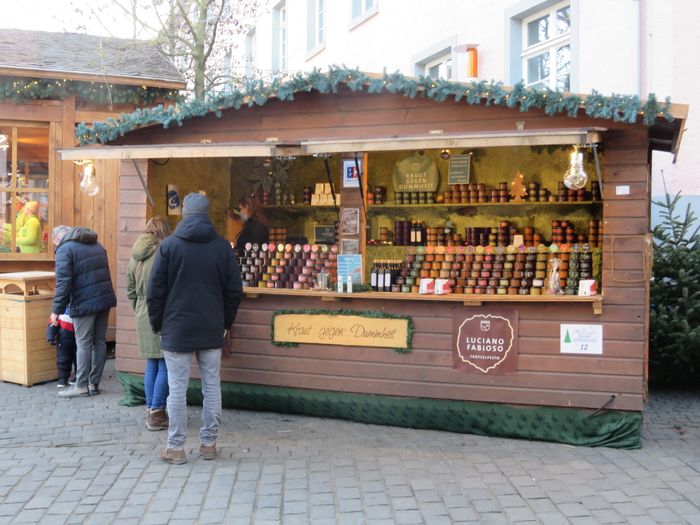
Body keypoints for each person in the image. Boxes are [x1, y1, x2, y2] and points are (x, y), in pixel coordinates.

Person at [147, 193, 242, 464]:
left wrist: (158, 324)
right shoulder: (222, 247)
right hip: (211, 327)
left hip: (175, 327)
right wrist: (225, 324)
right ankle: (209, 444)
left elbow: (154, 292)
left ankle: (176, 448)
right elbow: (234, 291)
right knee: (212, 385)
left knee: (177, 389)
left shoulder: (168, 247)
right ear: (207, 213)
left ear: (185, 214)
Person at [51, 225, 117, 398]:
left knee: (83, 343)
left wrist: (56, 310)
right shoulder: (97, 245)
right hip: (104, 299)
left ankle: (80, 385)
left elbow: (63, 283)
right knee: (99, 342)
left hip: (84, 303)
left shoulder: (64, 250)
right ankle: (93, 384)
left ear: (58, 239)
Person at [126, 217, 172, 431]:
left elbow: (131, 290)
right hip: (160, 312)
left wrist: (139, 310)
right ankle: (157, 411)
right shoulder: (162, 253)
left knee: (151, 364)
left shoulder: (135, 254)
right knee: (163, 363)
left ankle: (151, 407)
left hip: (143, 313)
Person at [46, 306, 76, 388]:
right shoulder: (58, 312)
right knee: (63, 360)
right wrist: (51, 337)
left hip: (78, 340)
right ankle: (63, 378)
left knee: (79, 359)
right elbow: (52, 324)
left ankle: (79, 377)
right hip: (63, 341)